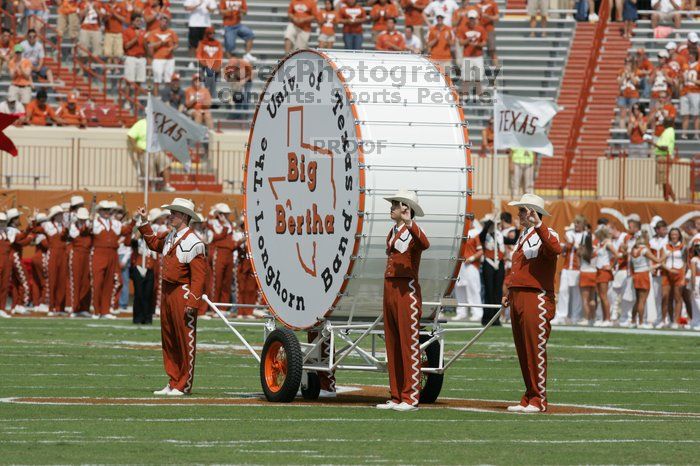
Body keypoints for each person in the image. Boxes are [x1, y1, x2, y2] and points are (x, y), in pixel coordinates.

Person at [136, 198, 207, 396]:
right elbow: (153, 243)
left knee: (185, 340)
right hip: (167, 292)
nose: (170, 216)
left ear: (184, 216)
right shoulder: (171, 236)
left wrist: (193, 301)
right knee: (169, 339)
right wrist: (144, 221)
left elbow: (199, 277)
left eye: (174, 213)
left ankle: (183, 384)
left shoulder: (194, 242)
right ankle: (173, 380)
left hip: (182, 293)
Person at [502, 194, 560, 413]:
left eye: (522, 211)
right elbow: (518, 265)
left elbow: (555, 250)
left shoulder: (547, 232)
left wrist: (539, 226)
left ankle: (538, 399)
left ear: (533, 212)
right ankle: (529, 394)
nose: (518, 215)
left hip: (536, 296)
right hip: (519, 295)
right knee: (523, 349)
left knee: (534, 348)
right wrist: (509, 289)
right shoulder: (524, 235)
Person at [376, 189, 430, 412]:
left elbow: (424, 244)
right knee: (393, 343)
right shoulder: (393, 230)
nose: (392, 207)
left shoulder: (414, 231)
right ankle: (397, 394)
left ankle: (410, 397)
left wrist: (410, 224)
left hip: (406, 290)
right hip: (390, 288)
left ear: (406, 209)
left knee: (408, 344)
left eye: (396, 204)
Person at [34, 205, 69, 316]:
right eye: (59, 214)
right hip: (53, 253)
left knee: (62, 281)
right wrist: (34, 220)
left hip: (63, 254)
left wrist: (67, 228)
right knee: (52, 280)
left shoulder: (64, 225)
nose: (61, 216)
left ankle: (60, 308)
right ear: (54, 216)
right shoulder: (47, 225)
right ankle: (51, 308)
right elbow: (35, 230)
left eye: (61, 214)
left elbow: (67, 236)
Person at [126, 118, 176, 192]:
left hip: (157, 151)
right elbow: (130, 135)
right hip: (145, 151)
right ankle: (150, 188)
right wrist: (136, 147)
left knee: (166, 161)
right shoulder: (141, 123)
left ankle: (166, 185)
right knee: (149, 166)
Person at [91, 200, 121, 319]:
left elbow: (125, 231)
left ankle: (105, 310)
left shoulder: (115, 223)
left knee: (109, 282)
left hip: (112, 253)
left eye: (108, 210)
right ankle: (96, 311)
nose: (107, 212)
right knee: (97, 283)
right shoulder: (95, 222)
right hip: (99, 252)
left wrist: (135, 220)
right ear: (99, 211)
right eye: (104, 210)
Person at [553, 216, 584, 325]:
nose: (576, 225)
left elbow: (582, 251)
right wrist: (567, 244)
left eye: (579, 223)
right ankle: (562, 315)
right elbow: (563, 251)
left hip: (578, 268)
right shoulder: (569, 234)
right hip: (567, 267)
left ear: (583, 225)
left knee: (576, 293)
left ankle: (576, 316)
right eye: (575, 223)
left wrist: (574, 243)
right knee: (563, 291)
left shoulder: (585, 236)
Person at [206, 203, 238, 306]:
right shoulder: (214, 223)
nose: (226, 216)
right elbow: (218, 236)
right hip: (218, 253)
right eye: (224, 214)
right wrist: (222, 221)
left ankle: (223, 307)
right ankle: (214, 305)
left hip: (229, 254)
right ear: (219, 214)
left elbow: (231, 237)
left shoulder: (230, 224)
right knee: (217, 281)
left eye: (227, 214)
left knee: (226, 282)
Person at [630, 232, 661, 329]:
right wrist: (666, 256)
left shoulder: (633, 250)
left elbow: (633, 265)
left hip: (636, 274)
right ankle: (641, 322)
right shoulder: (644, 250)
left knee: (638, 300)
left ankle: (633, 321)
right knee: (642, 300)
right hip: (643, 275)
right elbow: (657, 260)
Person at [453, 220, 482, 321]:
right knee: (459, 288)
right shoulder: (458, 232)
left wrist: (472, 259)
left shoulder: (476, 233)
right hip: (459, 265)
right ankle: (461, 312)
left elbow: (481, 251)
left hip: (471, 265)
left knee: (473, 288)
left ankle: (477, 313)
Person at [6, 208, 32, 315]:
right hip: (15, 257)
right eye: (17, 218)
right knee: (25, 282)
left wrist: (29, 231)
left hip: (14, 257)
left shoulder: (13, 229)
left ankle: (15, 306)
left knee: (17, 284)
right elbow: (19, 241)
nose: (19, 220)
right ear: (12, 220)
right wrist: (30, 235)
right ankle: (21, 305)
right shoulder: (11, 229)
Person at [479, 214, 504, 325]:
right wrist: (490, 222)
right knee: (488, 291)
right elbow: (482, 235)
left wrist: (517, 230)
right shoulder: (484, 234)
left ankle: (496, 318)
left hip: (499, 263)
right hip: (488, 262)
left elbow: (512, 241)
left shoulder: (500, 234)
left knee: (498, 291)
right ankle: (487, 318)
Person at [68, 206, 92, 317]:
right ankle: (75, 308)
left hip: (87, 256)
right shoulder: (73, 227)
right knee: (76, 282)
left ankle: (84, 307)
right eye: (81, 219)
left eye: (84, 219)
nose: (83, 220)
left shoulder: (89, 227)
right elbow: (79, 233)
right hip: (76, 255)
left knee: (86, 283)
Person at [661, 228, 685, 328]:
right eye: (672, 234)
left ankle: (676, 321)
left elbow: (686, 262)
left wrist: (683, 276)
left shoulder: (683, 246)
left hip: (679, 273)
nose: (674, 236)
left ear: (679, 235)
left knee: (677, 297)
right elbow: (661, 261)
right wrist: (669, 270)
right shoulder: (665, 246)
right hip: (667, 272)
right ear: (669, 235)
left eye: (676, 234)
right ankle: (666, 320)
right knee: (666, 297)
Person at [646, 118, 676, 202]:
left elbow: (664, 147)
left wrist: (652, 143)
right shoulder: (669, 131)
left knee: (664, 180)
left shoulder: (668, 132)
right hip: (663, 157)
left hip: (663, 157)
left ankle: (673, 198)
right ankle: (666, 198)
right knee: (663, 180)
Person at [147, 16, 179, 95]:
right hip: (158, 58)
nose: (164, 24)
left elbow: (176, 44)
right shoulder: (154, 32)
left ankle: (166, 97)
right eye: (162, 22)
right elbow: (151, 45)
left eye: (165, 22)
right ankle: (156, 97)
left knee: (168, 80)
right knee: (157, 80)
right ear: (159, 22)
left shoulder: (171, 32)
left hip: (169, 59)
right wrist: (162, 42)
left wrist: (172, 48)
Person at [457, 9, 486, 93]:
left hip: (478, 56)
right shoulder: (463, 28)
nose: (471, 20)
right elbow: (460, 42)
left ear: (476, 19)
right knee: (466, 79)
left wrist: (477, 44)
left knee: (478, 79)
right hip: (467, 56)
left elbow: (484, 43)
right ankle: (465, 98)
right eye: (470, 18)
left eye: (473, 18)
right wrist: (468, 40)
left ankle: (480, 97)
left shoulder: (481, 29)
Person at [593, 227, 616, 326]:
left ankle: (608, 319)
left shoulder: (608, 243)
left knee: (604, 296)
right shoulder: (601, 243)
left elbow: (616, 255)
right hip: (598, 270)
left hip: (604, 271)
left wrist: (611, 266)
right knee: (601, 296)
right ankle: (604, 318)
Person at [184, 0, 217, 65]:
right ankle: (191, 62)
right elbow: (187, 8)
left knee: (206, 45)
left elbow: (213, 10)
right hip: (193, 24)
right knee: (192, 45)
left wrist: (207, 7)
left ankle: (205, 62)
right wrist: (198, 4)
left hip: (206, 24)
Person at [195, 26, 224, 99]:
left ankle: (209, 94)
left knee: (212, 73)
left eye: (213, 33)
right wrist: (207, 65)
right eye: (210, 33)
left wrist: (218, 66)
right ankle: (210, 94)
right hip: (205, 66)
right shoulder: (202, 43)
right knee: (210, 73)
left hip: (215, 66)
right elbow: (199, 55)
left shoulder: (218, 44)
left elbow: (220, 56)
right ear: (207, 34)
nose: (212, 35)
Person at [103, 0, 130, 72]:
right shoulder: (105, 6)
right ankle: (108, 67)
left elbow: (125, 20)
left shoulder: (121, 6)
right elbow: (102, 19)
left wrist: (115, 15)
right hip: (108, 32)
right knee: (108, 52)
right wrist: (107, 16)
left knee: (117, 52)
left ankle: (116, 68)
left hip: (118, 32)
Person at [122, 15, 147, 85]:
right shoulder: (126, 31)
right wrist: (136, 37)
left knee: (139, 81)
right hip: (131, 58)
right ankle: (127, 96)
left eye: (140, 21)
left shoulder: (143, 32)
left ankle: (137, 96)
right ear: (132, 22)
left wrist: (145, 41)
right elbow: (126, 46)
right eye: (137, 21)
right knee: (129, 81)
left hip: (141, 58)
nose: (139, 23)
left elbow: (147, 49)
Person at [680, 51, 700, 140]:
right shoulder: (685, 65)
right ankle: (684, 134)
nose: (690, 56)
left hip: (695, 91)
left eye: (692, 54)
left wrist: (693, 81)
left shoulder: (698, 65)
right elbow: (681, 79)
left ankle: (696, 134)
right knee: (685, 114)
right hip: (684, 92)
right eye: (690, 54)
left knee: (696, 114)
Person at [78, 0, 104, 65]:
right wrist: (86, 9)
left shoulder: (99, 3)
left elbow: (102, 15)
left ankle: (92, 65)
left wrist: (96, 9)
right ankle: (83, 66)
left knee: (97, 49)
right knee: (83, 50)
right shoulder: (82, 2)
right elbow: (80, 14)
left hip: (96, 28)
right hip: (84, 28)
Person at [617, 57, 639, 128]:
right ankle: (622, 132)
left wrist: (631, 75)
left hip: (633, 95)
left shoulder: (636, 71)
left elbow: (636, 83)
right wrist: (624, 75)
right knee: (622, 114)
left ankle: (630, 131)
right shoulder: (621, 71)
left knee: (631, 113)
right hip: (623, 95)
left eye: (629, 62)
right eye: (626, 62)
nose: (627, 64)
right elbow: (619, 83)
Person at [478, 0, 498, 67]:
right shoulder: (477, 4)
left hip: (489, 30)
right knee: (477, 50)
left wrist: (488, 16)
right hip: (479, 31)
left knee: (492, 50)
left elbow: (497, 18)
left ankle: (496, 69)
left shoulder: (492, 3)